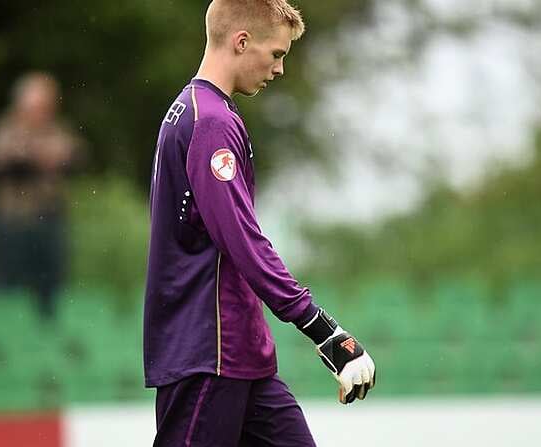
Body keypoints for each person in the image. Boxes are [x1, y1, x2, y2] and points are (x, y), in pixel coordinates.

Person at [142, 1, 376, 445]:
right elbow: (243, 242)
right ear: (242, 41)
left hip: (240, 356)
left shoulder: (199, 112)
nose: (280, 69)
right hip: (208, 355)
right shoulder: (209, 123)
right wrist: (323, 329)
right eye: (276, 54)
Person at [0, 72, 83, 318]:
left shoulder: (57, 128)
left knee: (51, 288)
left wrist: (33, 156)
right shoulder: (5, 128)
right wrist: (38, 157)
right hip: (12, 220)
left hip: (48, 219)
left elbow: (73, 154)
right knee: (7, 285)